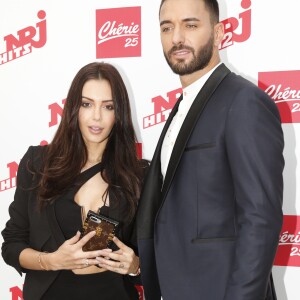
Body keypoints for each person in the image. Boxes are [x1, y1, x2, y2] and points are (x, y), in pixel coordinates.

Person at [136, 0, 284, 299]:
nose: (177, 37)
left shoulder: (243, 102)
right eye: (167, 27)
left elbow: (260, 219)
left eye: (190, 25)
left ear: (218, 34)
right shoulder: (181, 107)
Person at [1, 62, 148, 300]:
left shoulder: (140, 174)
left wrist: (136, 266)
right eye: (87, 104)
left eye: (108, 106)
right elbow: (11, 245)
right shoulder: (38, 164)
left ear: (119, 113)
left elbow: (160, 259)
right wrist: (51, 261)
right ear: (73, 108)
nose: (96, 116)